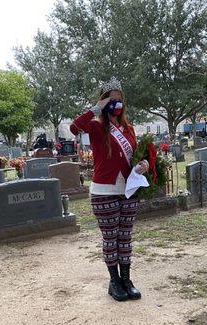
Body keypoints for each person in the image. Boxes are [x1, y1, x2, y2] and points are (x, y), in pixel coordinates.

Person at [70, 77, 149, 302]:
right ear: (104, 102)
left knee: (125, 237)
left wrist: (144, 165)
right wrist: (97, 108)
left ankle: (126, 279)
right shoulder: (95, 126)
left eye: (119, 100)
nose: (116, 104)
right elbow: (75, 127)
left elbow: (137, 155)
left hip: (129, 189)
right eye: (111, 100)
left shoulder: (129, 128)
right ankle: (114, 282)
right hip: (104, 190)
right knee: (110, 237)